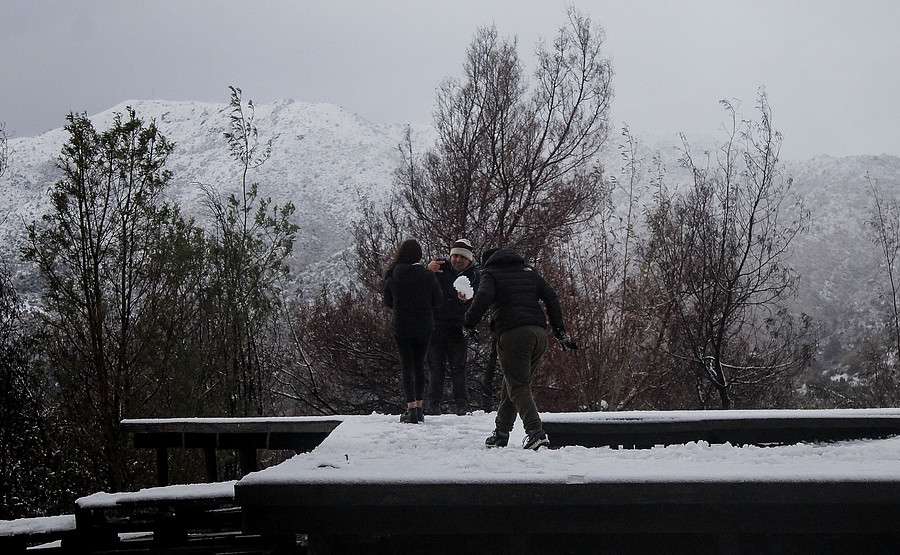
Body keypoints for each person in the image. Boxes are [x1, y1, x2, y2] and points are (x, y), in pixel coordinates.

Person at [464, 248, 577, 450]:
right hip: (539, 334)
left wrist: (468, 324)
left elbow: (483, 297)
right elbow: (551, 296)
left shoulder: (491, 273)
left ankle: (535, 432)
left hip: (513, 333)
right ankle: (501, 432)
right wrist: (560, 331)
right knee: (513, 382)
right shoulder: (528, 271)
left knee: (518, 385)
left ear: (487, 262)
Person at [383, 239, 443, 424]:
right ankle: (419, 407)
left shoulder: (393, 275)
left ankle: (411, 409)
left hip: (401, 326)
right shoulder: (428, 276)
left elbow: (388, 302)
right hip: (424, 325)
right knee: (419, 364)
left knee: (406, 366)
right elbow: (438, 300)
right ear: (419, 256)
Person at [424, 238, 481, 416]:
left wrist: (465, 303)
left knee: (459, 367)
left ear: (469, 259)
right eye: (455, 256)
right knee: (436, 367)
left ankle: (462, 405)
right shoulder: (438, 267)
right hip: (435, 326)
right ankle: (433, 405)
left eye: (462, 257)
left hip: (458, 328)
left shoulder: (475, 276)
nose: (457, 260)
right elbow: (418, 286)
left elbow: (477, 306)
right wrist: (426, 270)